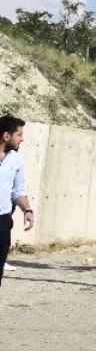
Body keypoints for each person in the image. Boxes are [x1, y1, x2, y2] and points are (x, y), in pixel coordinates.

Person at [0, 116, 34, 288]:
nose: (22, 138)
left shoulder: (16, 160)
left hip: (3, 222)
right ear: (7, 136)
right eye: (19, 135)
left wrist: (27, 210)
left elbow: (18, 191)